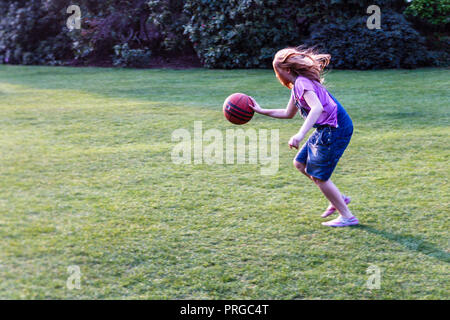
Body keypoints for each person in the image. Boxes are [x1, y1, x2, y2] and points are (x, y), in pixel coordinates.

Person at [249, 47, 358, 227]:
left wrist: (299, 135)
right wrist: (261, 111)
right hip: (327, 128)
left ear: (286, 70)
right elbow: (287, 113)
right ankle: (337, 198)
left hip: (335, 128)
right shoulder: (297, 86)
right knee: (300, 163)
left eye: (277, 72)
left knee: (319, 176)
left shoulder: (302, 83)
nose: (277, 76)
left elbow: (317, 108)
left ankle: (347, 216)